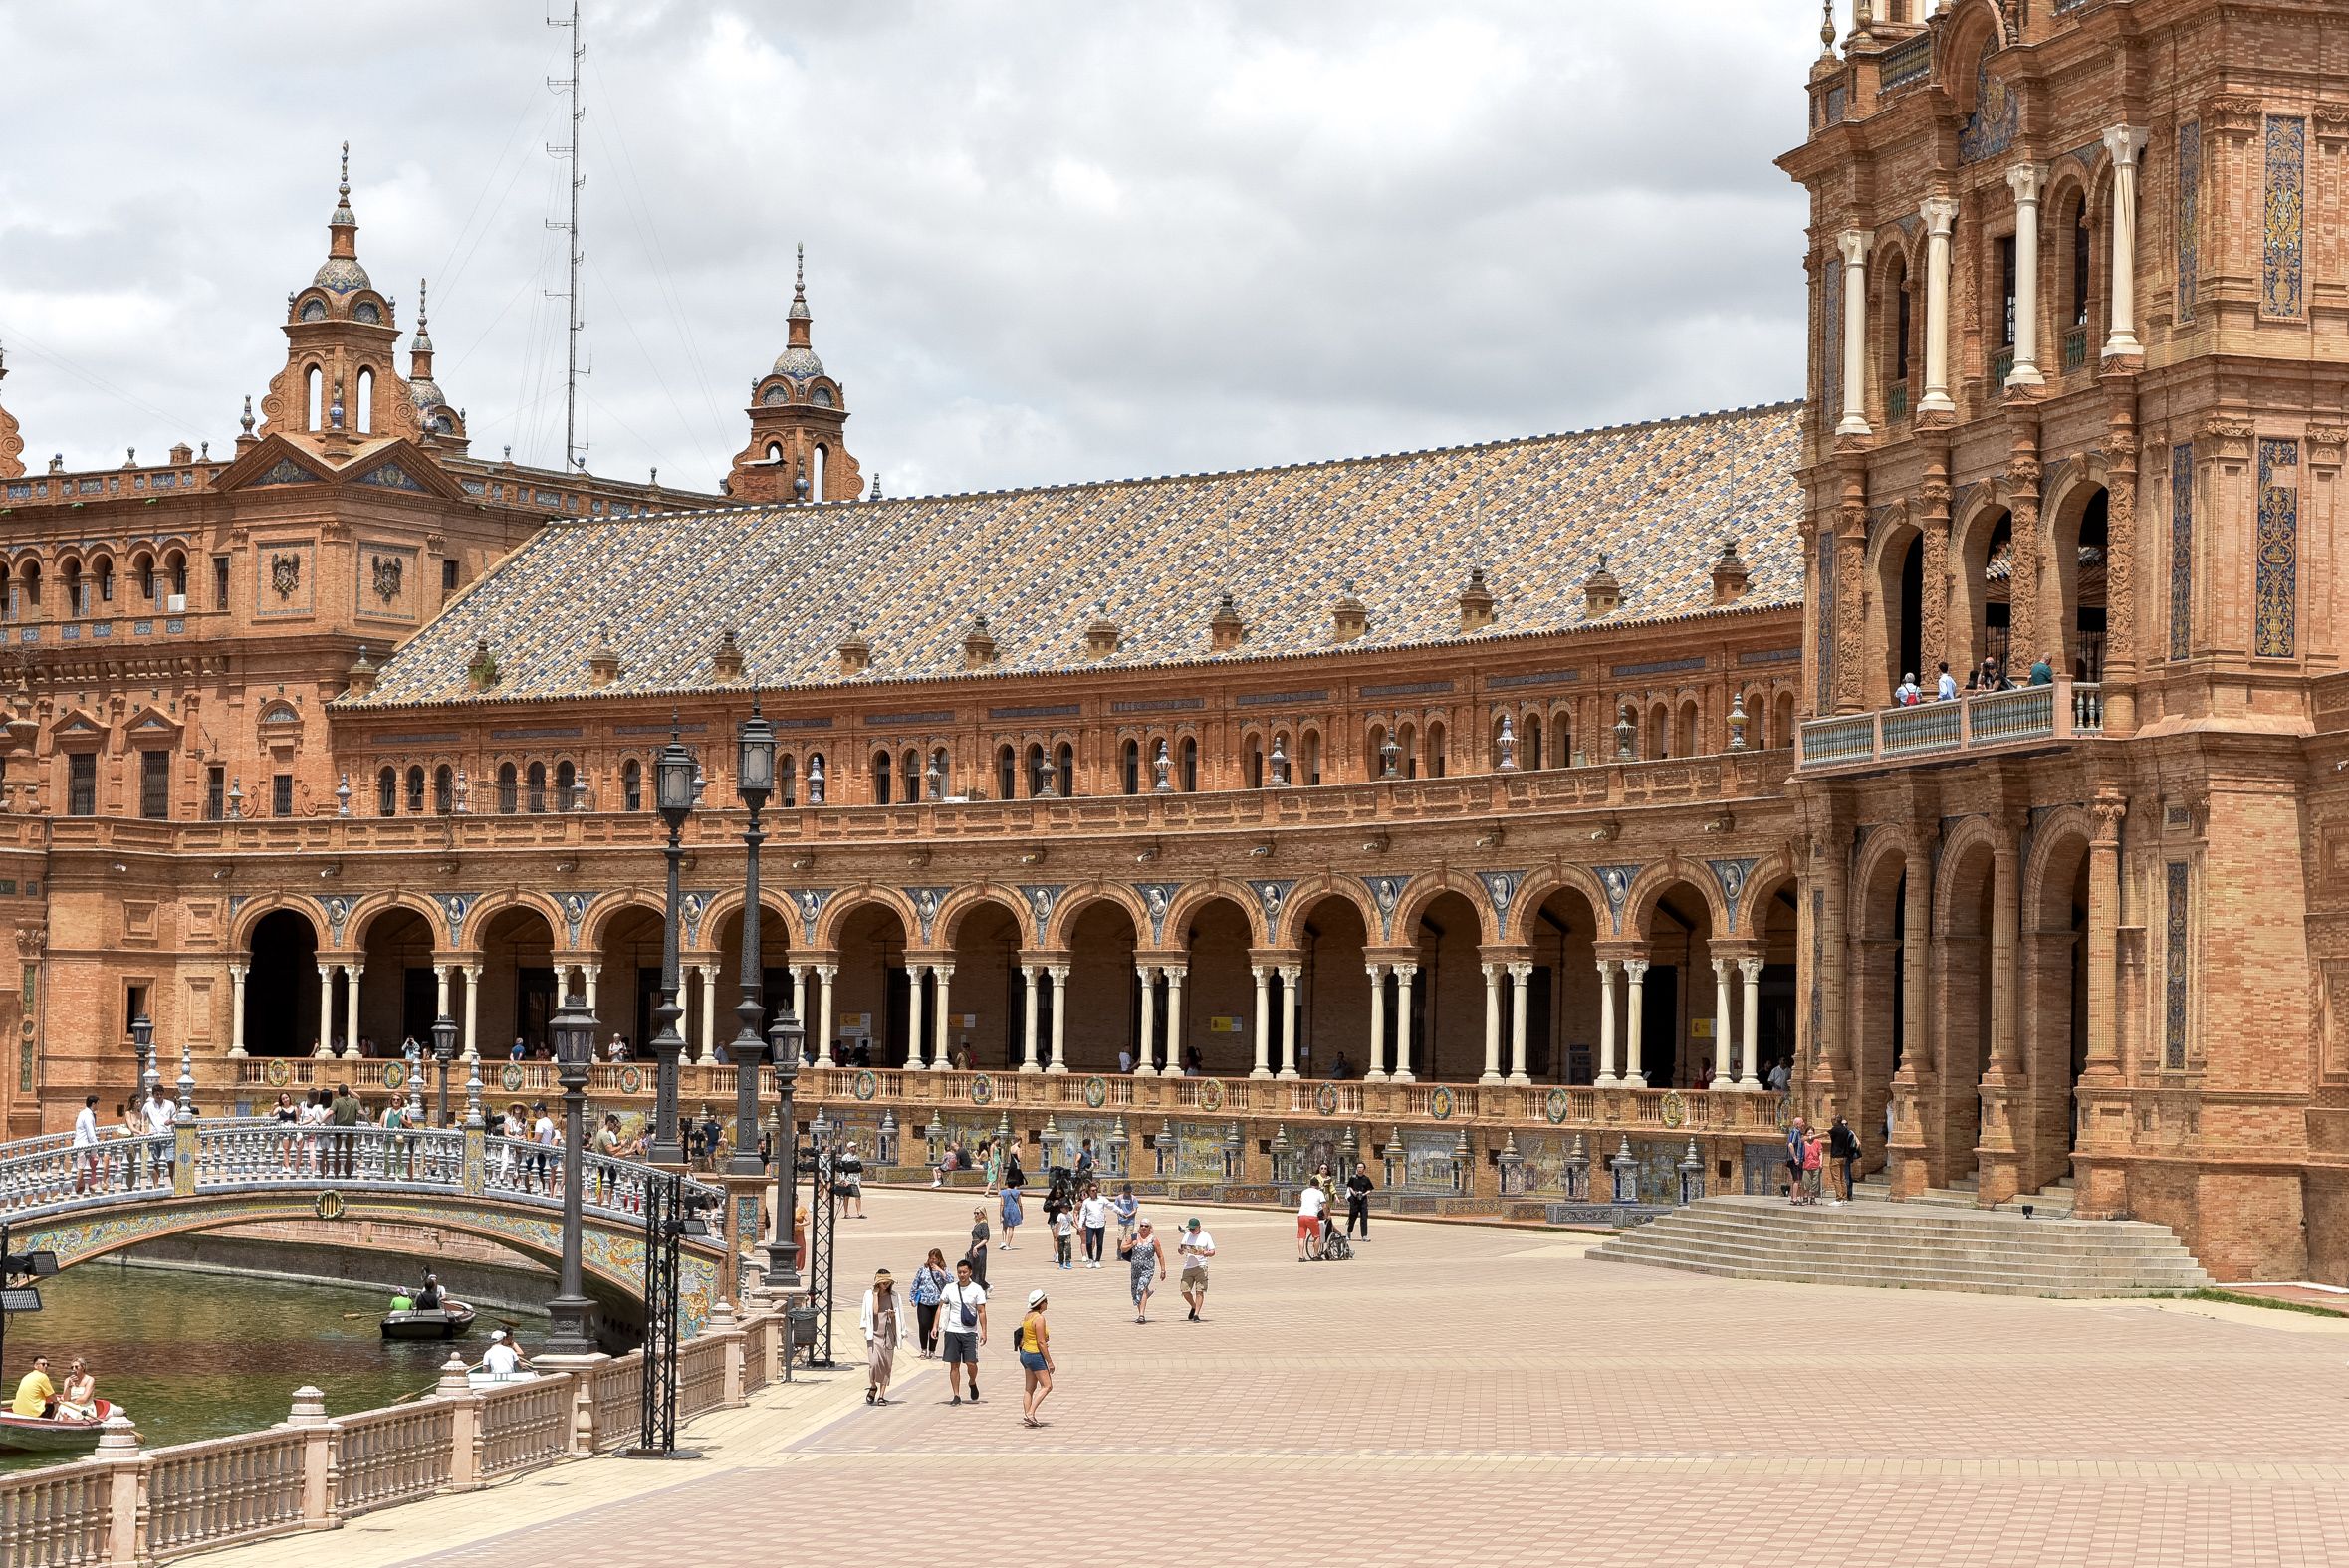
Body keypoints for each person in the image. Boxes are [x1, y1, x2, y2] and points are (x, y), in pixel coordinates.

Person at [938, 1257, 987, 1405]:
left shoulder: (977, 1289)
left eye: (965, 1272)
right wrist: (935, 1327)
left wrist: (984, 1331)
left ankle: (972, 1381)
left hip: (970, 1332)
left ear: (970, 1272)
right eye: (959, 1272)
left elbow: (981, 1311)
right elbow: (940, 1307)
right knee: (954, 1364)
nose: (962, 1275)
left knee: (971, 1363)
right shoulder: (950, 1288)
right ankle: (956, 1395)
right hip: (952, 1331)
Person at [859, 1268, 907, 1405]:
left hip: (888, 1333)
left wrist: (892, 1315)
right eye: (883, 1283)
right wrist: (876, 1295)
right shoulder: (869, 1295)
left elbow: (899, 1315)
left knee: (887, 1364)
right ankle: (873, 1385)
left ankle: (881, 1395)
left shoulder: (894, 1296)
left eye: (887, 1283)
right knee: (874, 1363)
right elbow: (874, 1311)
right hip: (874, 1334)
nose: (885, 1285)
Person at [1018, 1289, 1055, 1428]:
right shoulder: (1039, 1319)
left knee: (1029, 1388)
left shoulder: (1028, 1316)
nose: (1047, 1303)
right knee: (1047, 1385)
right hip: (1034, 1354)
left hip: (1025, 1353)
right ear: (1040, 1304)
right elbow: (1040, 1342)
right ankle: (1030, 1413)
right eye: (1045, 1301)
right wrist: (1049, 1362)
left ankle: (1028, 1414)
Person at [910, 1248, 950, 1358]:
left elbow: (951, 1281)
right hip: (924, 1302)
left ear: (939, 1259)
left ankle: (932, 1350)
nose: (932, 1261)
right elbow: (915, 1283)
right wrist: (912, 1298)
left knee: (934, 1327)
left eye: (934, 1259)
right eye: (930, 1259)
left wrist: (940, 1271)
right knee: (923, 1325)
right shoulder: (923, 1269)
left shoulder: (944, 1270)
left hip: (937, 1303)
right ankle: (923, 1349)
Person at [1127, 1217, 1167, 1323]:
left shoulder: (1154, 1240)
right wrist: (1131, 1245)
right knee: (1136, 1291)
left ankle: (1141, 1315)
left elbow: (1160, 1256)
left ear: (1150, 1228)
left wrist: (1163, 1270)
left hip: (1148, 1269)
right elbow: (1123, 1248)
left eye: (1146, 1226)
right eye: (1142, 1225)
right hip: (1135, 1269)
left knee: (1142, 1288)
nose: (1143, 1227)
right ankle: (1144, 1301)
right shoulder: (1134, 1237)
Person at [1177, 1217, 1215, 1321]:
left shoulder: (1206, 1236)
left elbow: (1212, 1252)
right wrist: (1180, 1251)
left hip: (1201, 1266)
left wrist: (1205, 1253)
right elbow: (1181, 1248)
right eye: (1190, 1229)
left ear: (1199, 1227)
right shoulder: (1187, 1235)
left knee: (1200, 1291)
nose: (1192, 1231)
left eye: (1194, 1229)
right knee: (1184, 1290)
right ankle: (1193, 1306)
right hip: (1188, 1266)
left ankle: (1196, 1314)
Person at [1829, 1116, 1860, 1204]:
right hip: (1846, 1157)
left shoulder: (1838, 1131)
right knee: (1845, 1177)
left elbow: (1858, 1144)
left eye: (1846, 1124)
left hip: (1838, 1156)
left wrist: (1811, 1137)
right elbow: (1858, 1144)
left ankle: (1840, 1197)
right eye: (1843, 1124)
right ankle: (1847, 1196)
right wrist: (1850, 1153)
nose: (1844, 1125)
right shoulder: (1849, 1132)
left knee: (1840, 1177)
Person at [1296, 1175, 1329, 1261]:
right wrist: (1326, 1215)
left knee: (1301, 1237)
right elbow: (1324, 1205)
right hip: (1312, 1216)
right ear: (1318, 1185)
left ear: (1310, 1184)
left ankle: (1301, 1256)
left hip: (1301, 1215)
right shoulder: (1319, 1193)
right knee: (1317, 1236)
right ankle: (1315, 1255)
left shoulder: (1304, 1191)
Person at [72, 1093, 99, 1194]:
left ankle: (81, 1187)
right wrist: (97, 1146)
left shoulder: (83, 1113)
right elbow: (90, 1133)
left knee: (85, 1167)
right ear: (93, 1104)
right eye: (97, 1104)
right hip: (83, 1145)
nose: (98, 1106)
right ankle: (73, 1190)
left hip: (80, 1144)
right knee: (81, 1169)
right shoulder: (88, 1115)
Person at [1078, 1183, 1109, 1268]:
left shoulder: (1102, 1199)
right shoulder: (1086, 1202)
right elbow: (1083, 1214)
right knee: (1089, 1243)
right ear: (1089, 1191)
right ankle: (1091, 1260)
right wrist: (1080, 1225)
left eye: (1096, 1190)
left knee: (1099, 1244)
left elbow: (1112, 1206)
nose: (1095, 1192)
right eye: (1093, 1190)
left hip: (1100, 1224)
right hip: (1090, 1225)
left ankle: (1098, 1260)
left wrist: (1121, 1212)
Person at [1345, 1162, 1374, 1238]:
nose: (1360, 1169)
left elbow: (1370, 1189)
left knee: (1364, 1218)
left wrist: (1364, 1194)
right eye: (1358, 1167)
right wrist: (1354, 1193)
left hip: (1363, 1200)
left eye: (1361, 1167)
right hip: (1354, 1200)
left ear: (1364, 1169)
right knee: (1352, 1217)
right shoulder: (1353, 1178)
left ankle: (1364, 1236)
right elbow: (1350, 1186)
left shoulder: (1366, 1179)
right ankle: (1349, 1232)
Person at [999, 1165, 1025, 1249]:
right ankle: (1007, 1245)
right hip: (1014, 1210)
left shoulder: (1003, 1192)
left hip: (1005, 1209)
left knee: (1004, 1226)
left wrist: (1001, 1214)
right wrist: (1021, 1213)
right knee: (1011, 1228)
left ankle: (1003, 1242)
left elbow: (1001, 1204)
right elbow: (1020, 1204)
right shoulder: (1017, 1192)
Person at [838, 1141, 865, 1219]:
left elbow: (858, 1169)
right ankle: (846, 1213)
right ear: (849, 1148)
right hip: (848, 1179)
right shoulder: (845, 1157)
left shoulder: (857, 1157)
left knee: (858, 1196)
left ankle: (860, 1212)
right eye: (853, 1147)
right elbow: (842, 1170)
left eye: (855, 1147)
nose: (854, 1148)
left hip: (855, 1178)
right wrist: (843, 1180)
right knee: (847, 1196)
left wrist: (860, 1179)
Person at [966, 1205, 991, 1288]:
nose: (975, 1215)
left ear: (983, 1214)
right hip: (973, 1247)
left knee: (978, 1269)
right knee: (970, 1268)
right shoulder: (977, 1224)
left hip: (979, 1249)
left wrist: (976, 1247)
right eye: (974, 1213)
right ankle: (984, 1286)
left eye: (977, 1213)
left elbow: (986, 1239)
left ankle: (983, 1287)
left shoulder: (984, 1224)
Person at [1784, 1116, 1808, 1205]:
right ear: (1798, 1124)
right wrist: (1795, 1158)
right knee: (1797, 1179)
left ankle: (1793, 1197)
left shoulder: (1797, 1132)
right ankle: (1794, 1199)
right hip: (1795, 1160)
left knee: (1795, 1179)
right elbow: (1791, 1145)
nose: (1804, 1124)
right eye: (1802, 1122)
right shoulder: (1796, 1132)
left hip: (1796, 1159)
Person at [1052, 1201, 1075, 1270]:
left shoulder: (1070, 1215)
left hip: (1068, 1234)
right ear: (1061, 1209)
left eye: (1068, 1208)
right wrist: (1057, 1233)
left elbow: (1072, 1222)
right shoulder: (1060, 1215)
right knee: (1061, 1250)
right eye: (1065, 1208)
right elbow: (1058, 1224)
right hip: (1061, 1235)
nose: (1067, 1209)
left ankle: (1068, 1262)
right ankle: (1061, 1263)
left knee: (1068, 1249)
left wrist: (1077, 1227)